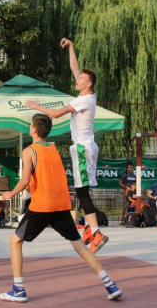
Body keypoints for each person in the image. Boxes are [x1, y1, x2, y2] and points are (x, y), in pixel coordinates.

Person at [0, 113, 122, 302]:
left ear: (33, 129)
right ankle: (110, 284)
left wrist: (9, 194)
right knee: (80, 246)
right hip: (61, 205)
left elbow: (24, 181)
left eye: (31, 125)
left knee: (15, 241)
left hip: (42, 206)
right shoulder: (52, 149)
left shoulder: (29, 151)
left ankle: (18, 289)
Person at [26, 38, 108, 254]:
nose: (77, 79)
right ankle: (93, 230)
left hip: (82, 148)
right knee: (82, 190)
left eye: (81, 78)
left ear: (88, 83)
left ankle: (96, 231)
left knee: (82, 192)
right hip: (85, 147)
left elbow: (55, 114)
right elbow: (75, 67)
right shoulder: (87, 96)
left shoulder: (83, 100)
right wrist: (71, 47)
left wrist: (35, 106)